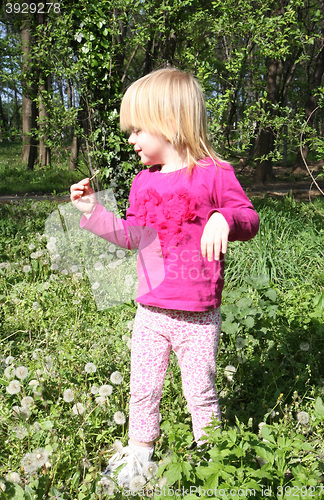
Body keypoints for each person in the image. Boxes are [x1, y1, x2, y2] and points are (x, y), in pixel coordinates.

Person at [70, 67, 259, 487]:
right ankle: (139, 457)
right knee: (143, 388)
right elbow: (135, 237)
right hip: (150, 312)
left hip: (197, 314)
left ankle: (213, 461)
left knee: (201, 392)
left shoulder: (215, 173)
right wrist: (93, 214)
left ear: (170, 124)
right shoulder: (142, 183)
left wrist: (223, 219)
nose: (131, 139)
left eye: (138, 129)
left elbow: (249, 218)